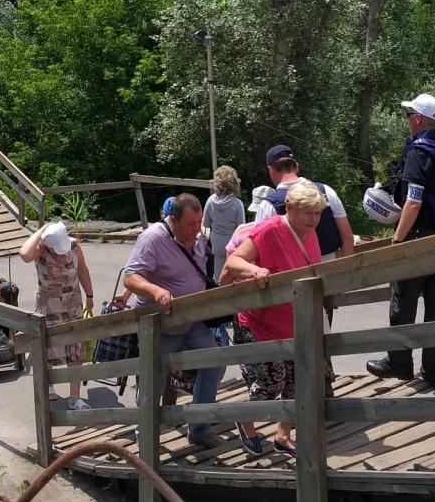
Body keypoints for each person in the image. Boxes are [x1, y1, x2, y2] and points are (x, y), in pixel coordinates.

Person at [223, 180, 325, 456]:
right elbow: (233, 262)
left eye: (317, 213)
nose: (314, 219)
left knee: (297, 381)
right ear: (290, 207)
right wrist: (255, 271)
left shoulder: (310, 232)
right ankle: (245, 418)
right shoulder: (270, 230)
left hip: (294, 320)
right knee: (271, 382)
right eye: (309, 213)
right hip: (262, 320)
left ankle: (283, 434)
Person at [122, 192, 226, 450]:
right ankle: (144, 433)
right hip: (159, 325)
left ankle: (199, 428)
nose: (195, 230)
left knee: (214, 360)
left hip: (191, 320)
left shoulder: (198, 239)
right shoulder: (153, 238)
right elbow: (131, 277)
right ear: (173, 220)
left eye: (198, 223)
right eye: (190, 224)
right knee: (153, 379)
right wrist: (156, 291)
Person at [365, 93, 435, 388]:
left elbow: (413, 201)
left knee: (403, 302)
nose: (407, 121)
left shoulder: (419, 152)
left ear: (417, 118)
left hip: (417, 237)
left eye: (408, 115)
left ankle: (400, 363)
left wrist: (398, 239)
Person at [19, 222, 96, 410]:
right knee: (47, 349)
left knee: (76, 349)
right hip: (49, 307)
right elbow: (24, 254)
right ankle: (49, 384)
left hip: (73, 305)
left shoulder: (74, 246)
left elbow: (82, 270)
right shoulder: (40, 250)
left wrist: (90, 295)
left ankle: (74, 397)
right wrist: (41, 231)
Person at [262, 145, 354, 260]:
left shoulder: (268, 205)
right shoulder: (326, 191)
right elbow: (348, 238)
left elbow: (260, 248)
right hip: (331, 266)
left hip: (292, 272)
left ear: (270, 170)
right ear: (296, 167)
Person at [203, 166, 245, 280]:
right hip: (233, 247)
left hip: (216, 245)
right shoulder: (237, 204)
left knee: (218, 277)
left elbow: (205, 224)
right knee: (234, 277)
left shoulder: (210, 201)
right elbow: (241, 229)